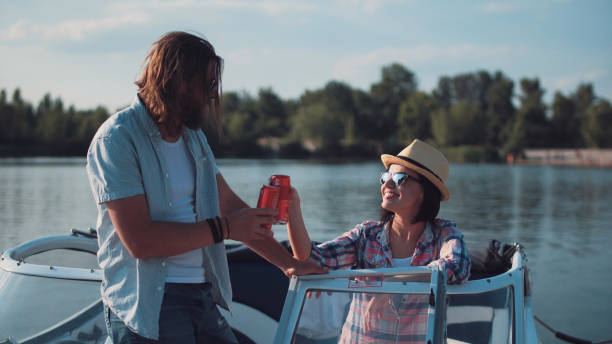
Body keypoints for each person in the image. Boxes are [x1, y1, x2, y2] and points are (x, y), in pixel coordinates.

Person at [86, 31, 322, 344]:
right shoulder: (116, 139)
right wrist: (225, 228)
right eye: (208, 84)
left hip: (201, 296)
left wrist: (289, 264)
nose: (213, 96)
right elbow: (140, 242)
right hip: (150, 306)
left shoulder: (192, 138)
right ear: (177, 80)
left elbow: (232, 208)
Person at [286, 139, 471, 343]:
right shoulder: (366, 235)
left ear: (424, 192)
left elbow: (457, 266)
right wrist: (292, 209)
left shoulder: (443, 233)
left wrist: (389, 286)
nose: (388, 184)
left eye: (400, 178)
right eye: (385, 177)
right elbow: (312, 258)